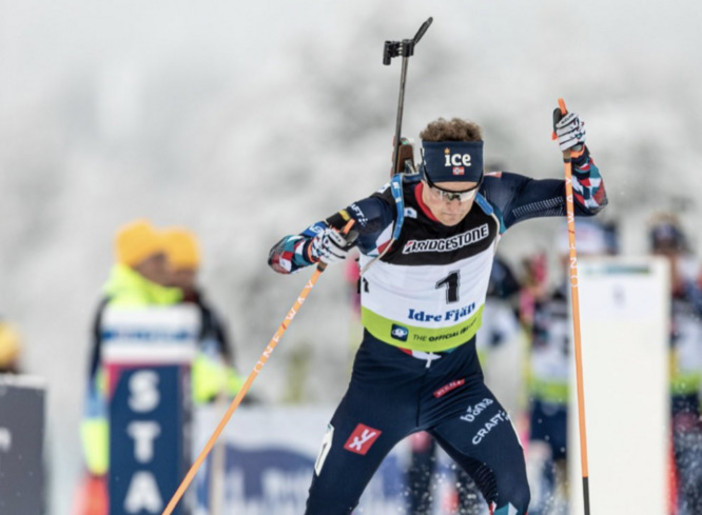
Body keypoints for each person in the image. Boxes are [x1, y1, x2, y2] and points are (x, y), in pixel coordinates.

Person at [268, 110, 607, 515]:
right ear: (422, 177)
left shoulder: (495, 198)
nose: (454, 206)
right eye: (444, 193)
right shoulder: (383, 212)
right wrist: (315, 247)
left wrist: (577, 151)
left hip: (457, 383)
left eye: (464, 193)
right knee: (325, 508)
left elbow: (589, 202)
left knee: (515, 498)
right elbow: (280, 257)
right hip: (383, 385)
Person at [76, 219, 182, 514]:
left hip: (119, 440)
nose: (167, 264)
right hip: (120, 440)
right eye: (157, 258)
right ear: (137, 264)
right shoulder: (129, 306)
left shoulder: (144, 301)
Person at [523, 219, 616, 515]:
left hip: (589, 406)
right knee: (544, 489)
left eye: (585, 259)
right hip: (547, 404)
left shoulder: (607, 297)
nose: (576, 266)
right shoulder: (547, 296)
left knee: (587, 488)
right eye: (572, 259)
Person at [649, 214, 702, 515]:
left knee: (692, 482)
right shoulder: (644, 292)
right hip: (651, 397)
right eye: (660, 253)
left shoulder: (695, 295)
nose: (666, 261)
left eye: (672, 253)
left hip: (689, 399)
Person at [162, 226, 245, 404]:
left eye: (191, 271)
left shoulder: (209, 316)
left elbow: (226, 364)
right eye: (179, 271)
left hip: (212, 411)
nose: (186, 278)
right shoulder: (156, 314)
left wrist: (238, 396)